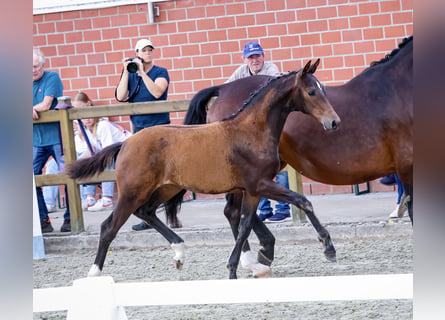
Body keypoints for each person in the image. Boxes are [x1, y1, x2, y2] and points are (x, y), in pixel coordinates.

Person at [227, 41, 291, 223]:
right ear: (245, 59)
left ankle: (283, 209)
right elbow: (227, 88)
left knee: (280, 163)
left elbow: (275, 91)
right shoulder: (241, 72)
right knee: (256, 167)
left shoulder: (271, 69)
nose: (255, 60)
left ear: (263, 56)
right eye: (251, 57)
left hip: (273, 127)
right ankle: (265, 210)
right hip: (253, 129)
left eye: (258, 56)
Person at [115, 39, 171, 231]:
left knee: (167, 173)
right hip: (139, 131)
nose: (148, 53)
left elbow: (157, 92)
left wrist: (141, 73)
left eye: (150, 50)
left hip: (160, 129)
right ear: (137, 53)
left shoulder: (160, 72)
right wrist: (125, 71)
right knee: (144, 174)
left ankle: (171, 215)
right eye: (144, 51)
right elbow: (121, 96)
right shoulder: (131, 74)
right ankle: (147, 217)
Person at [72, 92, 131, 211]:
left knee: (105, 161)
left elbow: (108, 152)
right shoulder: (85, 131)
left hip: (128, 152)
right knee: (87, 161)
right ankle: (89, 198)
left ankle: (107, 199)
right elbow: (90, 153)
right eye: (83, 117)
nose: (87, 120)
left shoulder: (103, 125)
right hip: (116, 153)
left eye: (89, 116)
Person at [33, 48, 71, 233]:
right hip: (35, 139)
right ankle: (43, 221)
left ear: (42, 65)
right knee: (31, 178)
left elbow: (46, 105)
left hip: (57, 137)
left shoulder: (52, 77)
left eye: (36, 66)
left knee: (68, 175)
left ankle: (70, 219)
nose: (33, 70)